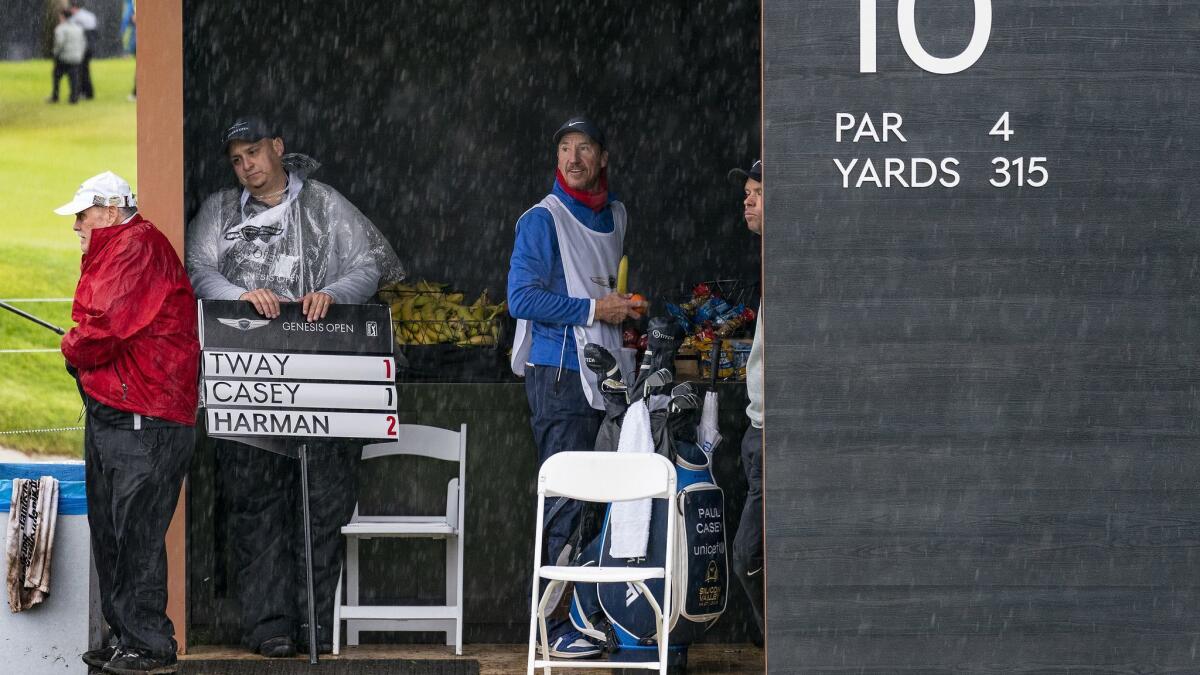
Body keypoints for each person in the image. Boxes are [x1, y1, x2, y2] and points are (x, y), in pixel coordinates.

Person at [185, 116, 405, 657]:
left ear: (278, 148)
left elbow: (367, 266)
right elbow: (196, 270)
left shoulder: (325, 204)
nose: (247, 168)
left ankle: (315, 624)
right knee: (254, 506)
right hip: (249, 387)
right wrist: (241, 294)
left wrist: (330, 293)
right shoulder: (217, 210)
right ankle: (268, 628)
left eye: (255, 153)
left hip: (321, 385)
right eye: (237, 160)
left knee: (321, 507)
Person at [507, 116, 643, 659]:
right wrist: (596, 308)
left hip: (610, 382)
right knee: (563, 504)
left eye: (584, 148)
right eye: (564, 148)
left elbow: (610, 296)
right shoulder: (541, 220)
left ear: (603, 157)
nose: (572, 158)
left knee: (598, 508)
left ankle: (584, 620)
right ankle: (549, 629)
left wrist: (625, 313)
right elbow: (522, 299)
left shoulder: (617, 216)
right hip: (559, 377)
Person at [56, 172, 199, 675]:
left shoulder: (136, 247)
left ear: (110, 211)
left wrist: (70, 348)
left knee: (134, 533)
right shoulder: (122, 247)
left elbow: (104, 327)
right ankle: (126, 638)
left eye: (82, 214)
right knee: (113, 530)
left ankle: (149, 644)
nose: (76, 225)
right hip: (121, 412)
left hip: (147, 416)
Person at [728, 158, 765, 646]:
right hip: (757, 432)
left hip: (776, 435)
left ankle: (777, 647)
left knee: (747, 555)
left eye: (758, 192)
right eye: (748, 192)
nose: (747, 199)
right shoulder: (770, 260)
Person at [48, 9, 85, 105]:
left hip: (64, 57)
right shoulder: (79, 28)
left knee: (56, 76)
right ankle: (74, 97)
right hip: (76, 57)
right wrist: (80, 54)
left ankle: (55, 96)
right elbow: (83, 43)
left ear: (63, 17)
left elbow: (59, 43)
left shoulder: (60, 29)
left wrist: (55, 53)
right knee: (74, 78)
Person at [68, 1, 99, 100]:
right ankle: (87, 92)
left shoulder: (75, 18)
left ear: (73, 8)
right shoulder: (89, 15)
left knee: (81, 71)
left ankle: (85, 93)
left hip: (83, 47)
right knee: (84, 70)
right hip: (90, 46)